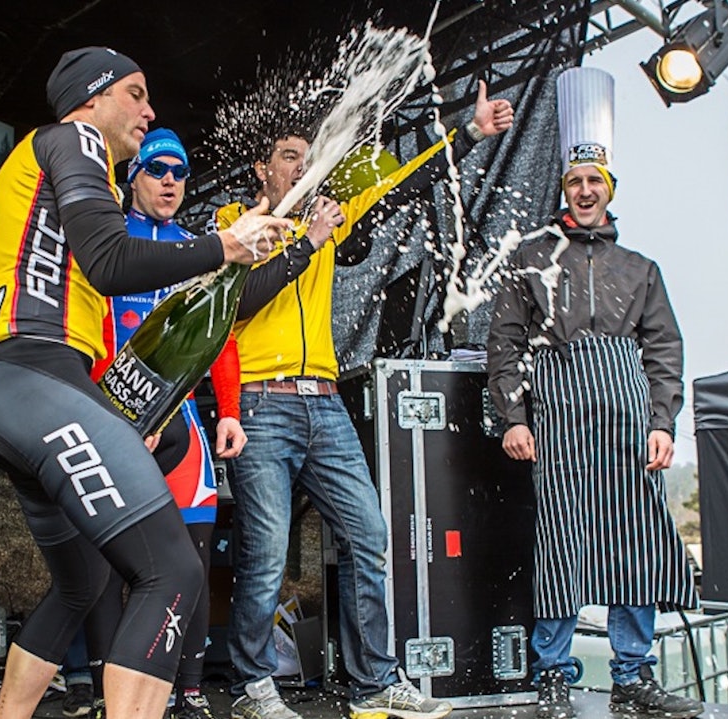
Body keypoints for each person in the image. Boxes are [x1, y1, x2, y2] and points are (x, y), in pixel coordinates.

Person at [0, 46, 290, 719]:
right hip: (31, 378)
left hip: (23, 388)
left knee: (80, 583)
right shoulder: (72, 137)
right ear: (92, 97)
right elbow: (109, 261)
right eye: (135, 93)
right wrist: (222, 246)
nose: (149, 108)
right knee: (174, 570)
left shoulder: (70, 171)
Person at [214, 80, 514, 719]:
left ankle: (375, 682)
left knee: (370, 534)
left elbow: (406, 182)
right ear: (262, 168)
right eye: (291, 156)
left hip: (323, 404)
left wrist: (466, 134)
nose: (304, 166)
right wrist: (308, 243)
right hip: (262, 404)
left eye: (308, 156)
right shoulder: (233, 227)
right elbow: (239, 302)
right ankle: (251, 688)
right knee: (265, 554)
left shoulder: (323, 215)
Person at [486, 67, 702, 719]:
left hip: (626, 425)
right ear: (564, 188)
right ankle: (552, 671)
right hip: (557, 423)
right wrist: (513, 416)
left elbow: (664, 350)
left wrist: (662, 422)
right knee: (560, 544)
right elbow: (504, 343)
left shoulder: (640, 268)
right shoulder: (529, 256)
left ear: (608, 190)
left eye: (594, 182)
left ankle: (633, 675)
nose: (584, 190)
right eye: (575, 181)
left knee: (633, 543)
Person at [85, 127, 248, 719]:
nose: (172, 181)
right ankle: (110, 697)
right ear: (134, 179)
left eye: (180, 172)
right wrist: (110, 411)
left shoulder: (201, 248)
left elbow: (222, 339)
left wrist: (229, 412)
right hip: (112, 415)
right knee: (104, 560)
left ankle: (191, 690)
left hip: (180, 427)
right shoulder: (108, 240)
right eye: (157, 170)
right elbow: (93, 331)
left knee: (191, 559)